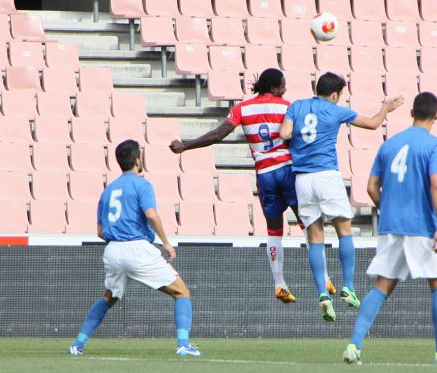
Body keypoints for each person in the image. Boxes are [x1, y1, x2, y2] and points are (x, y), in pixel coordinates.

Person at [170, 68, 335, 304]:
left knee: (274, 231)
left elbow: (218, 134)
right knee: (310, 225)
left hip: (265, 176)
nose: (286, 88)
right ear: (275, 88)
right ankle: (324, 278)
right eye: (283, 85)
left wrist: (186, 145)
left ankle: (279, 284)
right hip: (288, 172)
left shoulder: (242, 109)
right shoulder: (288, 106)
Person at [342, 92, 437, 365]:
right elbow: (436, 182)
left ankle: (354, 345)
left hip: (391, 226)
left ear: (411, 112)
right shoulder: (435, 145)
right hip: (421, 225)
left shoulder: (390, 145)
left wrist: (387, 208)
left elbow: (370, 187)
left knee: (381, 287)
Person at [279, 72, 404, 322]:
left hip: (302, 179)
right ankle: (347, 287)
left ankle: (323, 294)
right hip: (327, 176)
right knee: (344, 232)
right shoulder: (337, 111)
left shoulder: (297, 106)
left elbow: (283, 134)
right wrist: (385, 108)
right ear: (335, 94)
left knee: (314, 237)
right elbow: (372, 124)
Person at [69, 140, 201, 357]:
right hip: (137, 248)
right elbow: (151, 214)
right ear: (138, 160)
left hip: (112, 250)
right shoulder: (142, 185)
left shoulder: (108, 190)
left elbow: (100, 232)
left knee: (109, 296)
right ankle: (183, 345)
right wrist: (166, 242)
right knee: (181, 291)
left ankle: (78, 344)